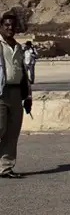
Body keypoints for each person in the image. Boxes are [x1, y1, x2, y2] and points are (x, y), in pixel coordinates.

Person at [0, 12, 32, 179]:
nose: (10, 28)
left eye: (12, 25)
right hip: (0, 92)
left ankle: (5, 168)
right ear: (1, 26)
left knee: (12, 132)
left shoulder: (19, 47)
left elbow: (23, 72)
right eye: (6, 25)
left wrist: (27, 96)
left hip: (16, 93)